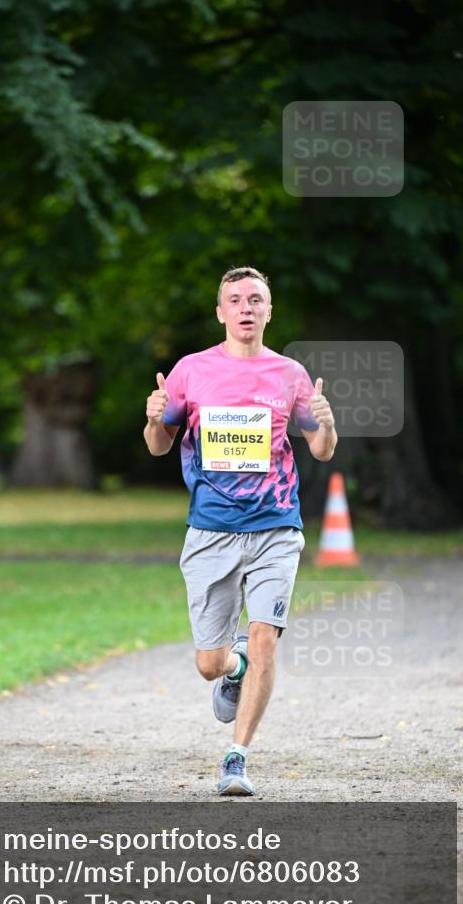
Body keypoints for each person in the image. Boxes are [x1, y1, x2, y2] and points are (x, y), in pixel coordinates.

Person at [144, 266, 337, 796]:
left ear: (268, 311)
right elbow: (159, 445)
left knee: (265, 636)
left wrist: (326, 420)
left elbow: (320, 448)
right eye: (236, 299)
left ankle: (238, 756)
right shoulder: (191, 370)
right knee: (209, 664)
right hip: (211, 530)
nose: (246, 307)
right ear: (221, 311)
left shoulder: (289, 374)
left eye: (256, 299)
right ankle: (234, 668)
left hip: (277, 526)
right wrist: (155, 416)